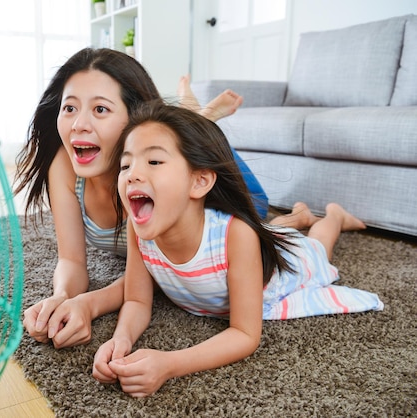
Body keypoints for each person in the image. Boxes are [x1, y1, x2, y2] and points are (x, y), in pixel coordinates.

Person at [92, 102, 384, 397]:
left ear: (200, 181)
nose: (132, 174)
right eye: (126, 165)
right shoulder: (139, 229)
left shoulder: (237, 235)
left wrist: (170, 363)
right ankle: (299, 216)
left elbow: (245, 334)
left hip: (286, 264)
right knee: (273, 230)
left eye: (154, 162)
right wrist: (121, 340)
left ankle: (334, 216)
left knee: (317, 246)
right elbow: (138, 301)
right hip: (255, 242)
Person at [13, 47, 268, 349]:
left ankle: (200, 120)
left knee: (259, 219)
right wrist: (60, 298)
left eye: (100, 109)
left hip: (231, 193)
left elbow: (168, 275)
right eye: (69, 108)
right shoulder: (66, 166)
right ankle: (194, 117)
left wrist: (90, 304)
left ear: (134, 118)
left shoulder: (159, 183)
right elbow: (71, 260)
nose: (78, 125)